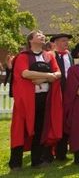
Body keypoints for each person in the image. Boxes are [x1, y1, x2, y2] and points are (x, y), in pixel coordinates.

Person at [8, 30, 63, 172]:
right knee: (20, 129)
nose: (42, 36)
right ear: (31, 40)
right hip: (27, 99)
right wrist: (48, 75)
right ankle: (15, 164)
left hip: (44, 97)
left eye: (43, 35)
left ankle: (36, 161)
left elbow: (58, 73)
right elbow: (25, 73)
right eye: (38, 35)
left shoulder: (48, 56)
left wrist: (43, 78)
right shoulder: (23, 56)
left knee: (40, 128)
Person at [50, 32, 73, 161]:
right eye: (63, 40)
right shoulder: (51, 56)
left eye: (67, 41)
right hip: (56, 91)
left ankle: (62, 153)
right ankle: (51, 152)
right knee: (55, 120)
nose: (66, 43)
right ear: (56, 43)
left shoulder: (68, 55)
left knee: (66, 121)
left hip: (68, 92)